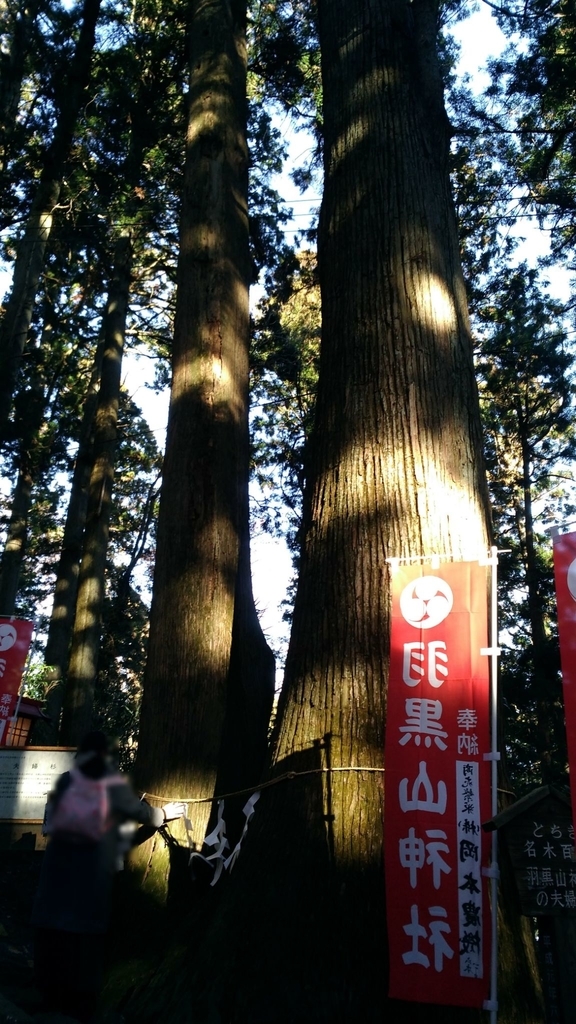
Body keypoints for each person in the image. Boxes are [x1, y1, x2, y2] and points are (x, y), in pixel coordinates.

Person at [32, 730, 185, 1022]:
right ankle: (79, 1003)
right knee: (83, 940)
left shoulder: (65, 781)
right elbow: (140, 812)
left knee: (54, 936)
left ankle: (51, 996)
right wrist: (163, 814)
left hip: (56, 875)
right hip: (88, 876)